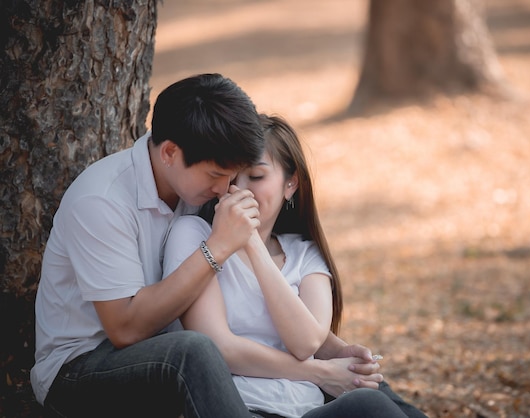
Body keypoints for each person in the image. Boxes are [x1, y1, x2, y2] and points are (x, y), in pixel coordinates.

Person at [31, 73, 268, 417]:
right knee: (192, 353)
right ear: (170, 152)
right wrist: (216, 247)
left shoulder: (197, 189)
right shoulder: (102, 199)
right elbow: (125, 329)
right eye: (216, 175)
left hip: (169, 353)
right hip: (79, 368)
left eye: (232, 176)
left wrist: (330, 353)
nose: (225, 189)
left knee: (369, 399)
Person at [163, 114, 428, 418]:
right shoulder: (194, 236)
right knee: (372, 406)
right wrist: (321, 371)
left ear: (290, 184)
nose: (238, 190)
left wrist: (252, 243)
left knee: (381, 401)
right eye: (231, 176)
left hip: (307, 409)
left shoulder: (304, 254)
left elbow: (306, 342)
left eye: (256, 176)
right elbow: (215, 347)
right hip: (240, 406)